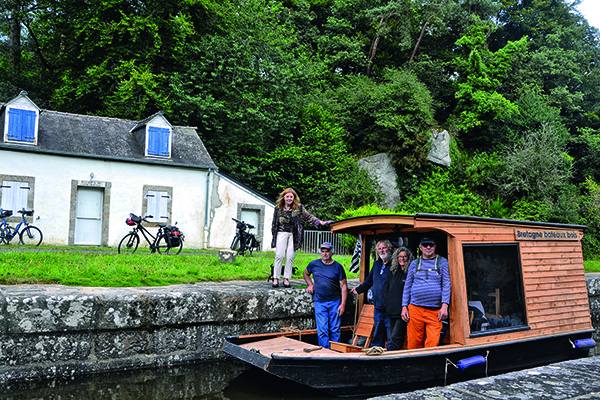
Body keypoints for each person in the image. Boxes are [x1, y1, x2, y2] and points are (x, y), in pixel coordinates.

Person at [271, 188, 331, 288]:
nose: (289, 198)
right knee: (279, 255)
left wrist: (320, 222)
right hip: (281, 232)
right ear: (284, 197)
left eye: (291, 197)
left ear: (294, 198)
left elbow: (308, 216)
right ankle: (276, 278)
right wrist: (274, 235)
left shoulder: (298, 207)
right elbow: (274, 222)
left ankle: (286, 278)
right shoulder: (278, 208)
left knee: (290, 256)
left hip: (294, 234)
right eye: (287, 196)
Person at [401, 237, 451, 349]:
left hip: (435, 311)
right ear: (420, 247)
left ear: (435, 246)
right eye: (425, 245)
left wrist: (444, 305)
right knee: (413, 343)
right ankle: (414, 365)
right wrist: (404, 306)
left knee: (433, 343)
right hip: (415, 309)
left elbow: (446, 284)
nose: (428, 247)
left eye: (431, 245)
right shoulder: (414, 264)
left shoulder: (442, 262)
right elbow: (407, 286)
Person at [303, 242, 348, 349]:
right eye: (322, 251)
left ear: (331, 252)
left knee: (335, 330)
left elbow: (344, 286)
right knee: (322, 330)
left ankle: (337, 351)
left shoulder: (338, 267)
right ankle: (325, 352)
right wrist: (310, 284)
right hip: (319, 301)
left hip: (335, 302)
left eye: (327, 251)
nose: (324, 253)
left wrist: (343, 304)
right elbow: (305, 273)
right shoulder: (314, 264)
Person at [351, 239, 393, 348]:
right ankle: (376, 352)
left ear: (390, 248)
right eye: (379, 248)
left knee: (391, 335)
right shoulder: (377, 264)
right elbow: (369, 281)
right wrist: (358, 289)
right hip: (378, 306)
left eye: (384, 248)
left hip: (390, 308)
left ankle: (391, 355)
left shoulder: (395, 264)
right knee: (378, 333)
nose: (381, 250)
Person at [384, 246, 414, 350]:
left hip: (403, 312)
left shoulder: (410, 273)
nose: (402, 259)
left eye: (404, 256)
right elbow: (387, 289)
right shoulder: (393, 272)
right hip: (391, 310)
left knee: (396, 336)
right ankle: (393, 357)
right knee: (392, 336)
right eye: (400, 256)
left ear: (408, 258)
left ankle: (397, 359)